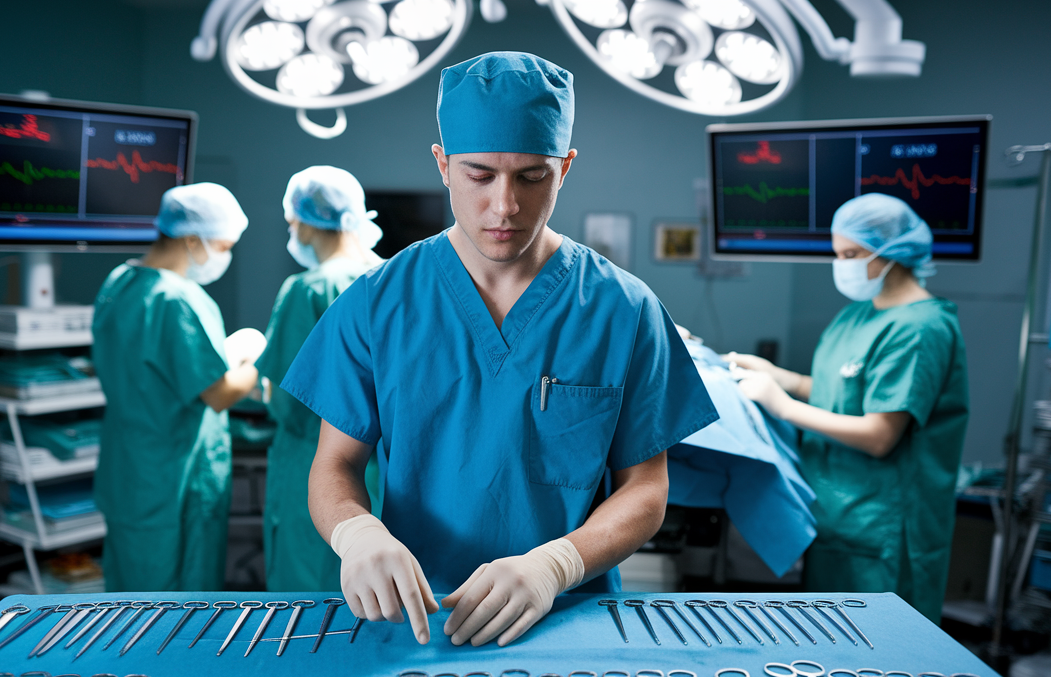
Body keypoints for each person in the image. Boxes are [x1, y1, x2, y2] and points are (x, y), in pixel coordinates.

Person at [280, 52, 716, 647]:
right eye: (480, 175)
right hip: (416, 617)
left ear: (565, 166)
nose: (504, 206)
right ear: (443, 164)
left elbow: (645, 488)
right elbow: (335, 465)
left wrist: (556, 565)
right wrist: (357, 533)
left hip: (567, 619)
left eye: (532, 176)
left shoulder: (624, 309)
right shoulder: (377, 304)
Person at [726, 193, 969, 622]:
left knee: (883, 660)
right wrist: (785, 378)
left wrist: (781, 404)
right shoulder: (857, 315)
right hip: (837, 515)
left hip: (884, 530)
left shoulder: (921, 328)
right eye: (839, 254)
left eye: (853, 254)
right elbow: (846, 390)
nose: (844, 265)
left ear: (893, 251)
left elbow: (880, 434)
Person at [92, 182, 261, 591]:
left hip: (131, 467)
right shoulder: (178, 299)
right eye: (222, 246)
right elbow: (218, 393)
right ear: (191, 239)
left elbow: (159, 363)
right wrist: (256, 360)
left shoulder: (120, 282)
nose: (224, 256)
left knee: (128, 596)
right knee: (176, 606)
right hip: (174, 475)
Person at [256, 166, 385, 592]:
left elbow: (289, 407)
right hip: (383, 477)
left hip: (319, 475)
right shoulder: (392, 280)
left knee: (309, 607)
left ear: (304, 224)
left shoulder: (307, 290)